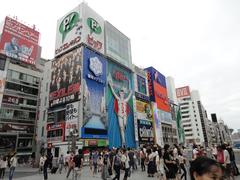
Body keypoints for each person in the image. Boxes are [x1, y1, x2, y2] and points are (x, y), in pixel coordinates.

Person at [108, 76, 132, 146]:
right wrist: (110, 86)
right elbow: (113, 93)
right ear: (119, 94)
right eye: (121, 93)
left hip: (124, 115)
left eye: (123, 93)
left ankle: (124, 129)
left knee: (124, 125)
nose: (122, 94)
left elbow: (130, 96)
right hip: (119, 115)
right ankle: (123, 141)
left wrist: (130, 92)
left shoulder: (125, 100)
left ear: (124, 94)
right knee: (121, 128)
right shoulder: (118, 99)